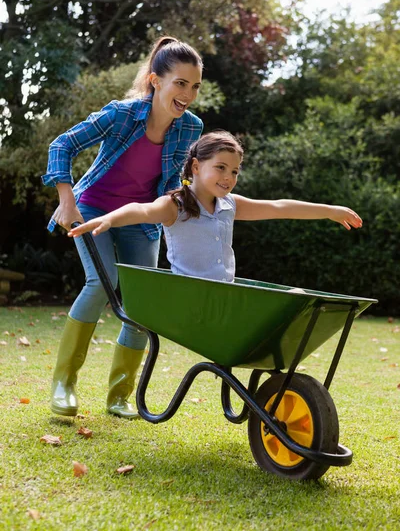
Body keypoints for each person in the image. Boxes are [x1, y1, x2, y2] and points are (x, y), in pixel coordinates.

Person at [42, 37, 204, 419]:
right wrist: (66, 200)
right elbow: (61, 145)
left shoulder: (190, 128)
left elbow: (176, 181)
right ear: (155, 81)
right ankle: (63, 384)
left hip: (137, 216)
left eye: (195, 86)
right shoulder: (121, 114)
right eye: (180, 83)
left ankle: (119, 396)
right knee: (101, 281)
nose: (188, 94)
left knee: (141, 301)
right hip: (91, 207)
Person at [69, 129, 362, 286]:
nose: (229, 177)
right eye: (220, 167)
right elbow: (141, 211)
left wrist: (329, 210)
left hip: (224, 296)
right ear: (196, 167)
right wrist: (108, 219)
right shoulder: (177, 205)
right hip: (193, 298)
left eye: (235, 171)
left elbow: (277, 206)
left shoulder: (229, 205)